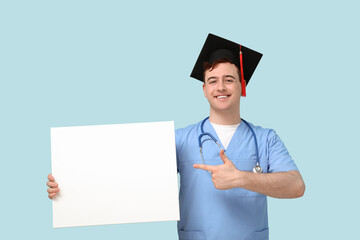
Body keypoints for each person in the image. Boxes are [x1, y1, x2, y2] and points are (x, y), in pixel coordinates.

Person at [47, 33, 305, 240]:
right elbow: (124, 174)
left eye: (229, 79)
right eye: (213, 81)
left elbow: (296, 186)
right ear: (204, 90)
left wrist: (241, 178)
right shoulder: (180, 139)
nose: (221, 87)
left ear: (242, 86)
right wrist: (69, 188)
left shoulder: (266, 138)